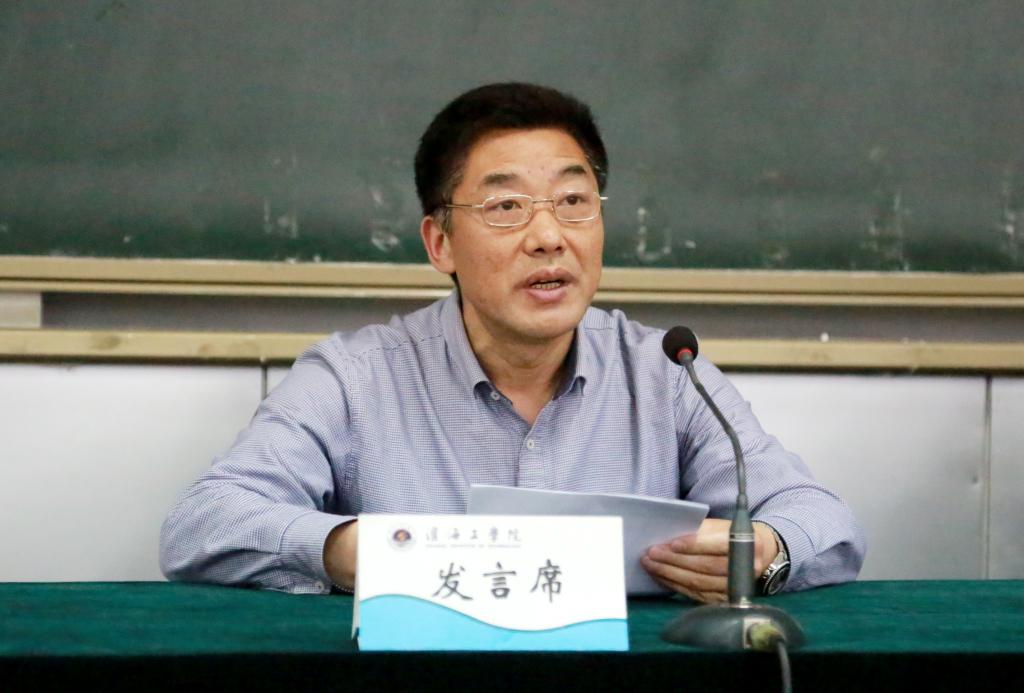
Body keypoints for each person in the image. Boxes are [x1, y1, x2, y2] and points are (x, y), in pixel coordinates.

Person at [160, 83, 865, 603]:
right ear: (440, 241)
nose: (549, 236)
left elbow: (822, 519)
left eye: (574, 202)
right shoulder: (354, 376)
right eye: (506, 207)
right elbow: (202, 524)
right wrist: (352, 550)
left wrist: (764, 553)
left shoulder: (666, 371)